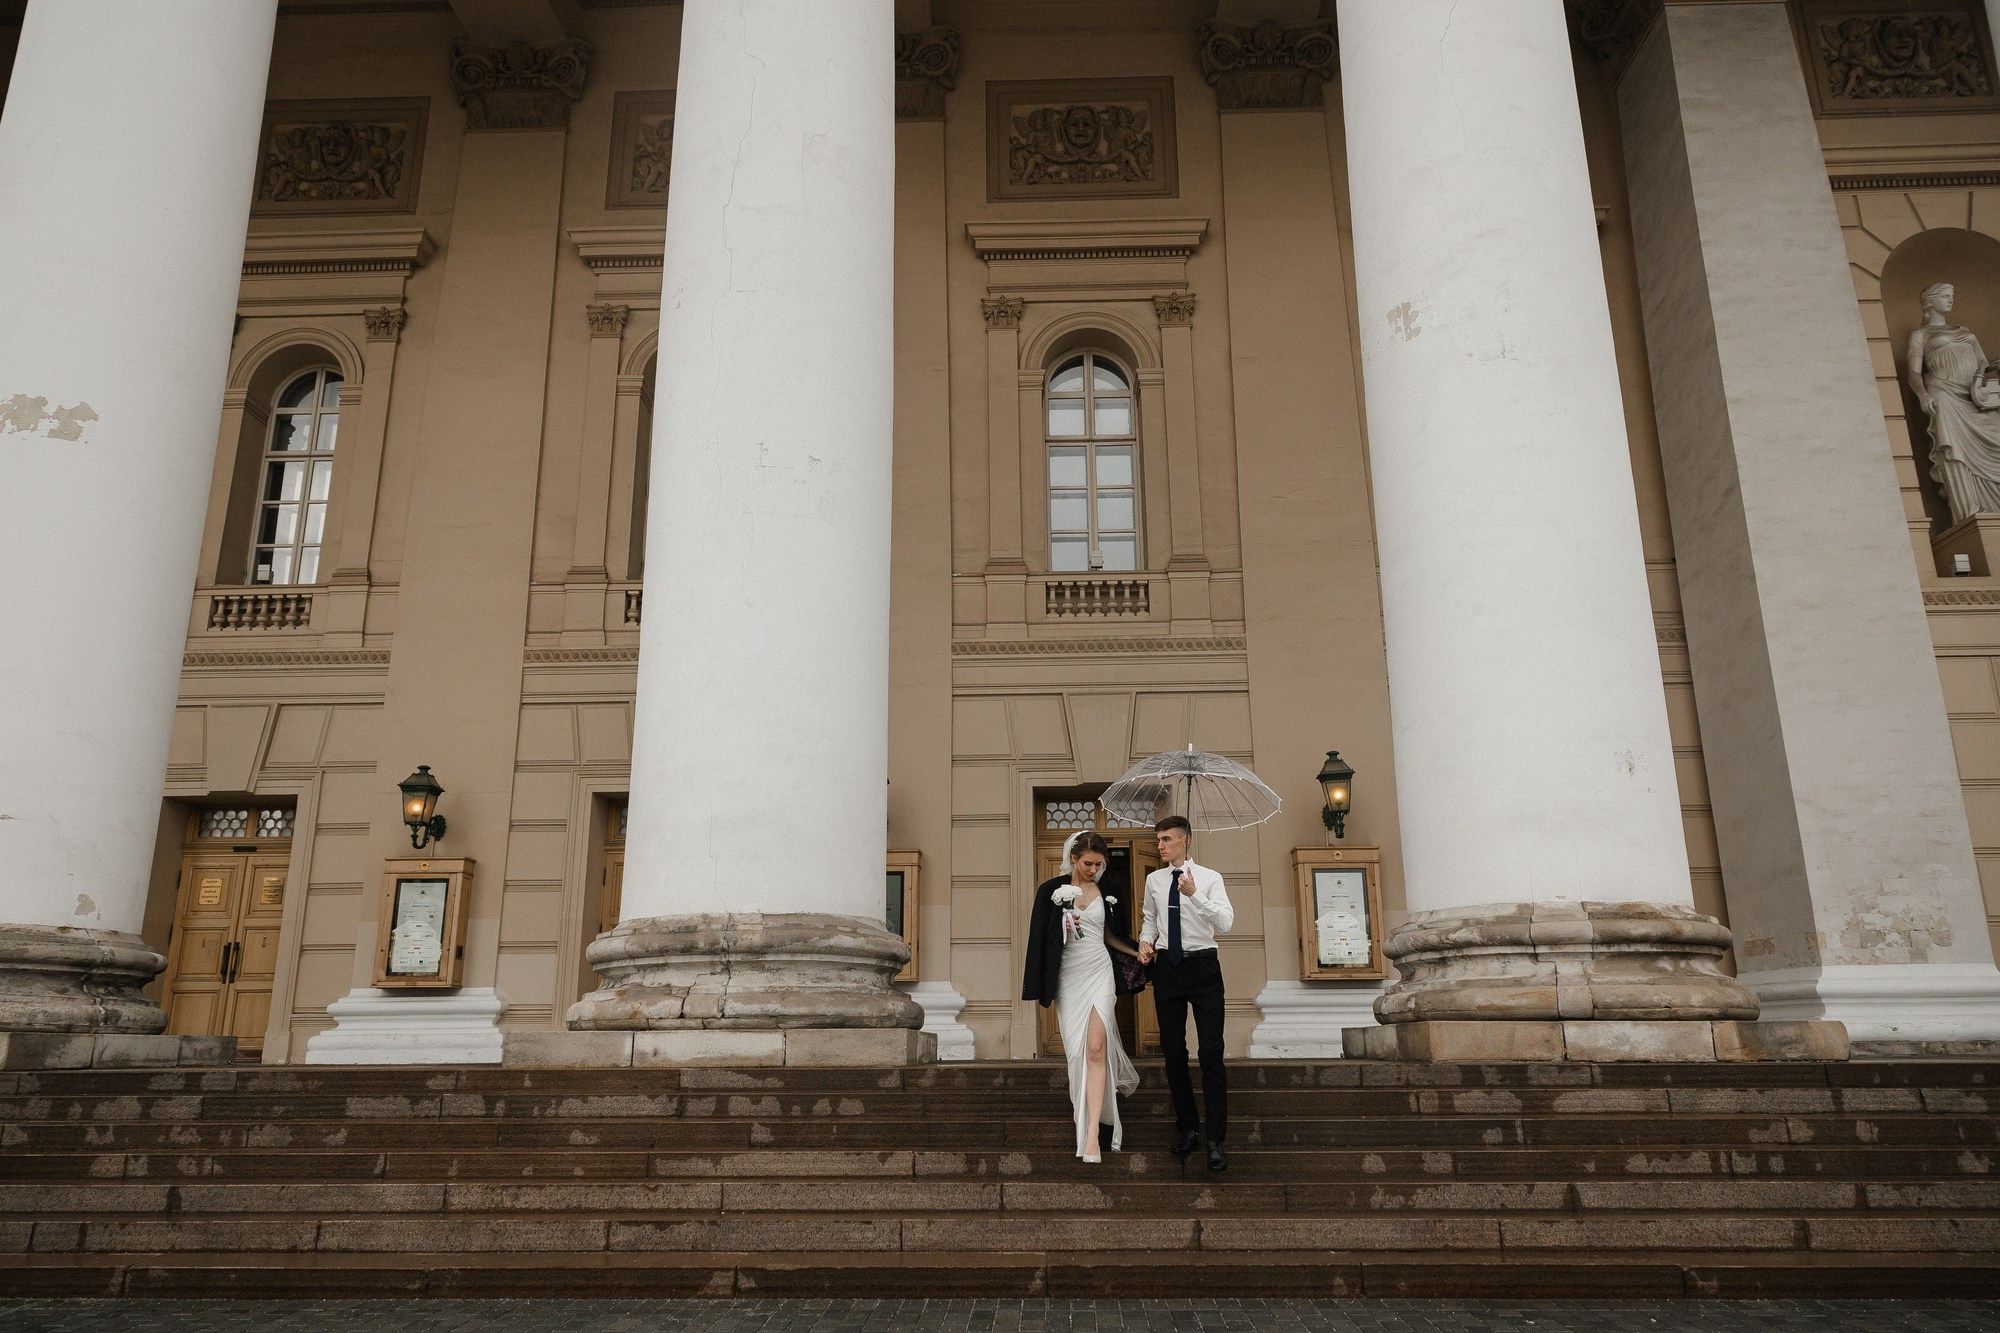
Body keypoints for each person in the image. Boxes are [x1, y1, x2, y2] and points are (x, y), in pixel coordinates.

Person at [1020, 829, 1143, 1162]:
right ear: (1073, 858)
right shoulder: (1050, 890)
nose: (1094, 870)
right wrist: (1062, 925)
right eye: (1088, 863)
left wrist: (1135, 953)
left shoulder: (1109, 889)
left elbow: (1109, 934)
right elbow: (1039, 940)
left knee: (1095, 1048)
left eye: (1099, 864)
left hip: (1099, 968)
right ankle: (1087, 1113)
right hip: (1069, 975)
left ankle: (1093, 1136)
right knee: (1077, 1054)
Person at [1136, 814, 1233, 1171]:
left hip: (1204, 965)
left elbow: (1225, 921)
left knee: (1210, 1053)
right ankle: (1188, 1128)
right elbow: (1150, 918)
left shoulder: (1210, 878)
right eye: (1159, 840)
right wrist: (1147, 942)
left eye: (1167, 840)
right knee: (1174, 1052)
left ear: (1185, 840)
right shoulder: (1154, 880)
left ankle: (1215, 1139)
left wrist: (1195, 897)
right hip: (1168, 967)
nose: (1160, 846)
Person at [1908, 281, 2000, 522]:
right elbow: (1914, 373)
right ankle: (1969, 513)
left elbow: (1982, 362)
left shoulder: (1964, 329)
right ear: (1930, 302)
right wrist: (1923, 395)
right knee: (1954, 452)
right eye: (1946, 296)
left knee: (1996, 445)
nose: (1951, 300)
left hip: (1975, 397)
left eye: (1952, 296)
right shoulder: (1921, 335)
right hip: (1944, 396)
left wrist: (1992, 367)